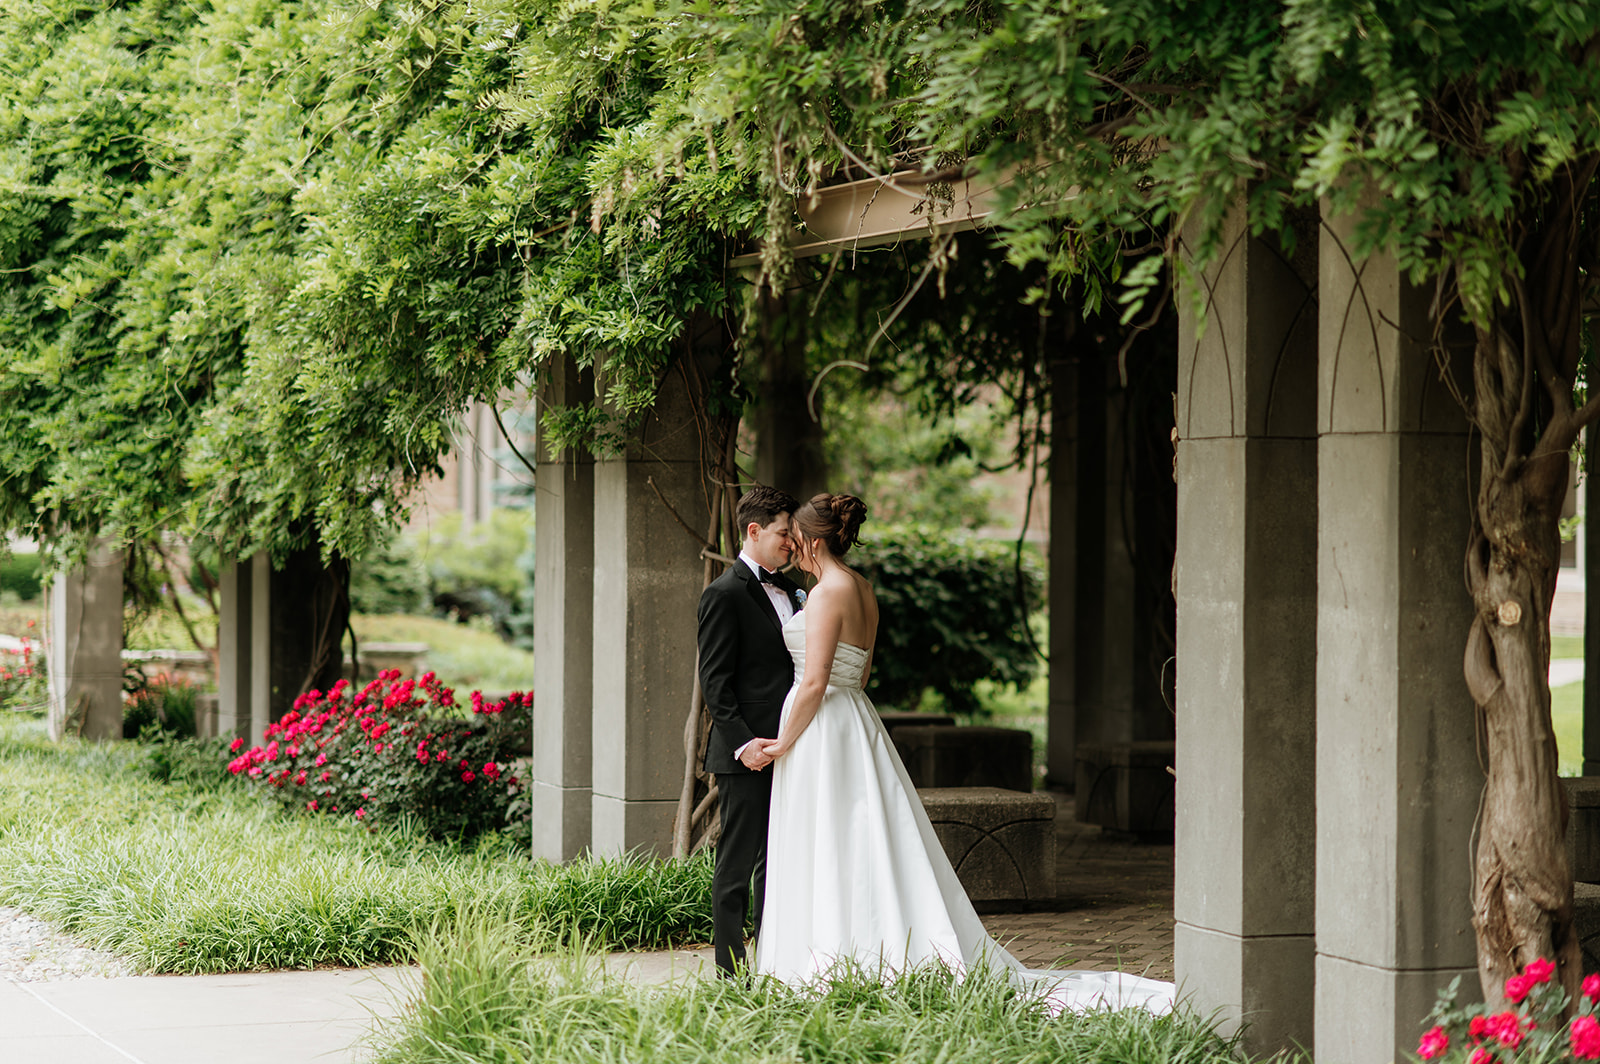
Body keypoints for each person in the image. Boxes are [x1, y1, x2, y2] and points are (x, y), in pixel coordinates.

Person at [753, 492, 1174, 1014]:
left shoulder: (825, 594)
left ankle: (837, 953)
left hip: (821, 728)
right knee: (863, 833)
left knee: (831, 834)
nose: (790, 544)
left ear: (813, 540)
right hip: (856, 722)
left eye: (795, 536)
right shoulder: (862, 588)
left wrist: (782, 742)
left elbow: (815, 680)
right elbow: (859, 674)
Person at [696, 484, 804, 978]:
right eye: (784, 532)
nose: (791, 541)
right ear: (755, 531)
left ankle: (773, 961)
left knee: (780, 863)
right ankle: (730, 972)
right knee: (737, 864)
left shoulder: (797, 589)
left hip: (794, 745)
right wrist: (745, 746)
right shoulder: (723, 594)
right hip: (748, 752)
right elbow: (715, 684)